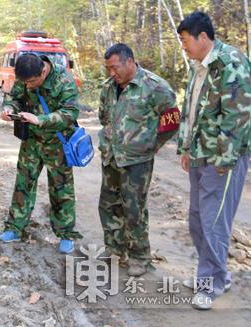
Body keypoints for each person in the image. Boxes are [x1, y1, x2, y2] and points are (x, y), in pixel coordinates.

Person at [176, 11, 250, 310]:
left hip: (222, 159)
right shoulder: (199, 66)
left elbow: (238, 119)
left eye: (185, 41)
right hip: (199, 154)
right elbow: (191, 109)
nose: (183, 46)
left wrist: (224, 161)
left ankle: (211, 282)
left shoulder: (232, 64)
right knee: (197, 220)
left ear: (203, 37)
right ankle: (219, 273)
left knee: (213, 222)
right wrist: (185, 147)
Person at [98, 43, 178, 277]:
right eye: (108, 69)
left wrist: (151, 145)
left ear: (130, 62)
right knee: (108, 204)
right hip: (112, 156)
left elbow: (171, 121)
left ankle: (140, 257)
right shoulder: (108, 88)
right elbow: (104, 118)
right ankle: (114, 249)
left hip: (137, 161)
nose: (111, 73)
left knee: (134, 209)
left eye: (115, 67)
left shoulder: (155, 87)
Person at [0, 53, 83, 254]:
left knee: (61, 188)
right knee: (23, 183)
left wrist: (40, 119)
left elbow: (70, 114)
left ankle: (65, 234)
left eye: (32, 82)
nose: (28, 85)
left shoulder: (64, 80)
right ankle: (15, 227)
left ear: (43, 71)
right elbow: (15, 98)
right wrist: (9, 109)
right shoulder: (25, 77)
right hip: (32, 141)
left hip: (58, 142)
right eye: (25, 82)